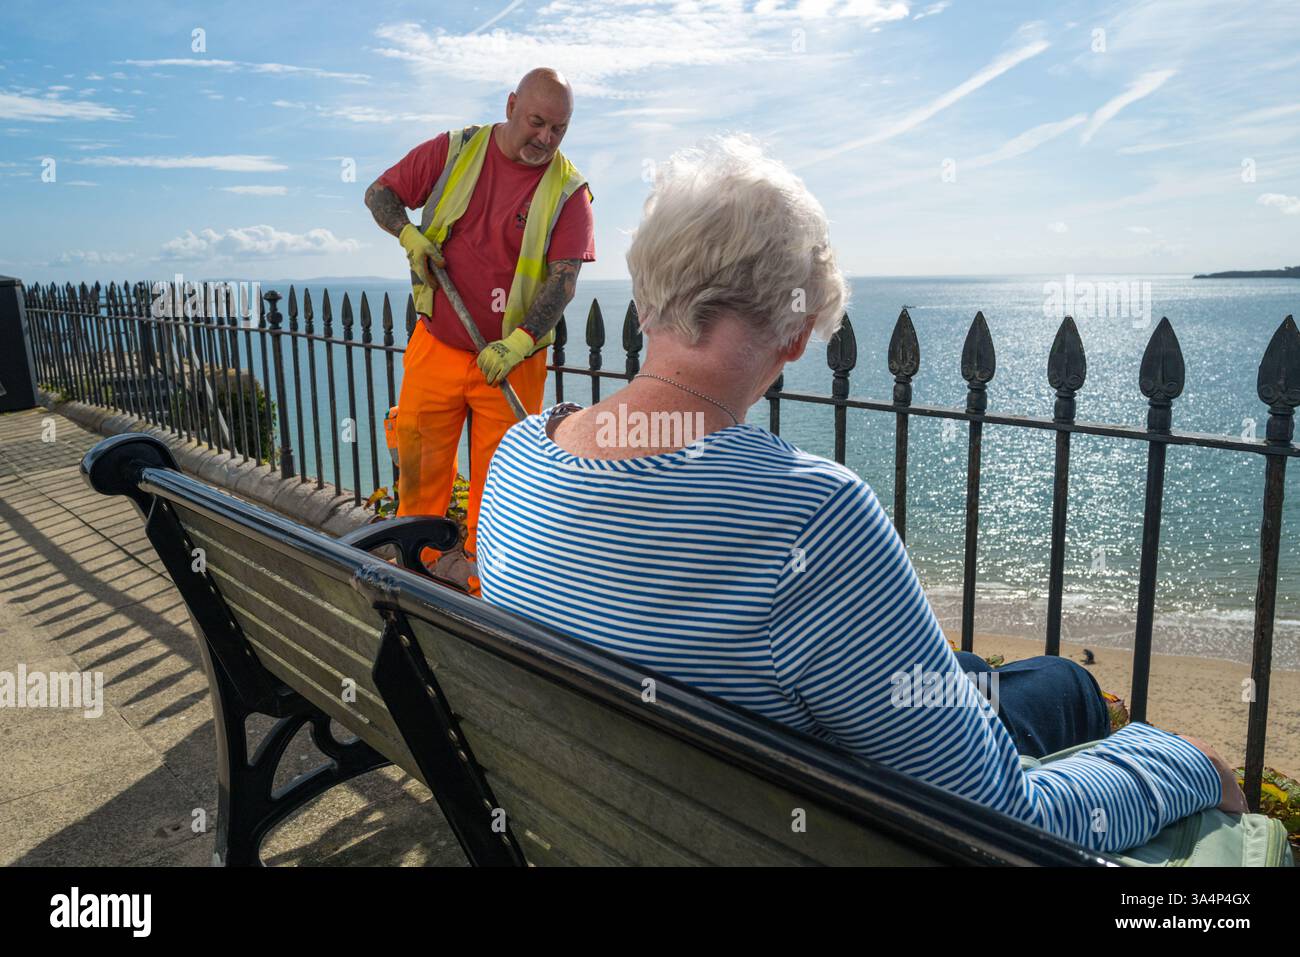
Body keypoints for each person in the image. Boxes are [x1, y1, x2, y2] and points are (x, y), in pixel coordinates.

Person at [476, 135, 1246, 853]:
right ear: (795, 333)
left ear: (645, 299)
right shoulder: (810, 515)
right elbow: (999, 817)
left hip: (608, 815)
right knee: (1071, 690)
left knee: (1018, 678)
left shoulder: (519, 457)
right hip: (788, 835)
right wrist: (1184, 760)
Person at [364, 68, 595, 591]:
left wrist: (518, 341)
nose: (546, 139)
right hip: (438, 346)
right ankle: (416, 575)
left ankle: (484, 591)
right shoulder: (455, 151)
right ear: (511, 104)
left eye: (559, 129)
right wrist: (408, 234)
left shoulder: (569, 191)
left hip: (514, 362)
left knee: (502, 491)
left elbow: (563, 281)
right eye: (537, 122)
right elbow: (380, 192)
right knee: (421, 472)